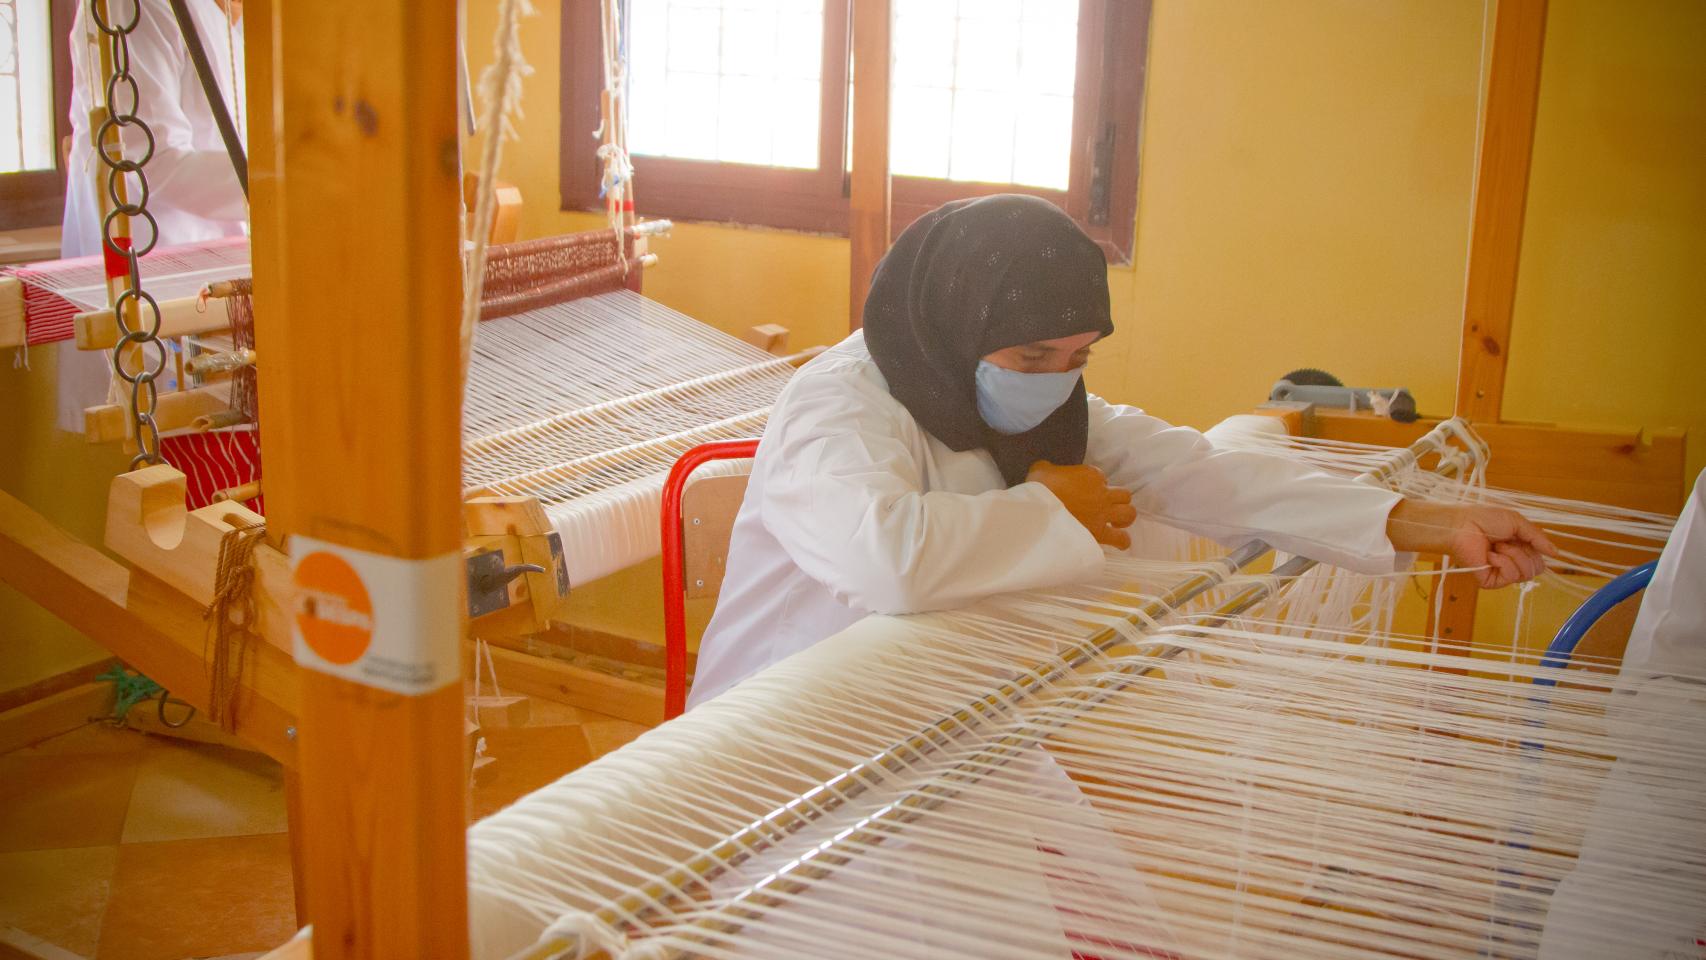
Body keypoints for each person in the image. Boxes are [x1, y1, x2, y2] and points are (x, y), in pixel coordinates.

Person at [688, 193, 1553, 709]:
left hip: (922, 709)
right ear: (960, 321)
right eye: (1030, 358)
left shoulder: (1024, 401)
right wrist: (1048, 513)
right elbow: (887, 561)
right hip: (774, 728)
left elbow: (1198, 472)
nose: (1052, 384)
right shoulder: (837, 409)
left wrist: (1420, 520)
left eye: (1078, 360)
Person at [57, 0, 246, 432]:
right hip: (154, 280)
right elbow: (152, 160)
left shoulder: (239, 19)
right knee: (172, 442)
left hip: (229, 285)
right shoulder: (134, 5)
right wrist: (297, 185)